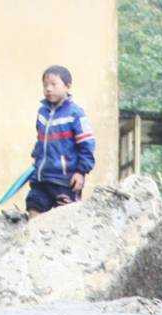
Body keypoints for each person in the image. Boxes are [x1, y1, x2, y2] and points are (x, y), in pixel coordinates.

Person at [28, 65, 96, 214]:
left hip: (65, 181)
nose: (48, 89)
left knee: (65, 219)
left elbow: (87, 146)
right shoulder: (42, 112)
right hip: (41, 178)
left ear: (67, 86)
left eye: (54, 84)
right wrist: (36, 159)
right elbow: (41, 141)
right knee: (34, 209)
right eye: (45, 85)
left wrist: (80, 172)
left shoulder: (76, 114)